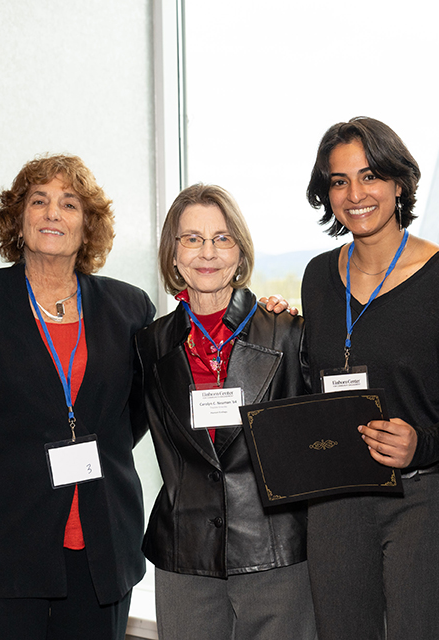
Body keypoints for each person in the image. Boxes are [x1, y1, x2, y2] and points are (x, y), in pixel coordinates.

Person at [0, 154, 156, 639]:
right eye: (38, 201)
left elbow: (137, 410)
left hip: (101, 544)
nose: (51, 213)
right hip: (0, 546)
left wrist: (95, 445)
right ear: (17, 218)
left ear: (88, 226)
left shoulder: (130, 307)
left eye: (68, 204)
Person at [301, 117, 439, 640]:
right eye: (339, 181)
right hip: (335, 503)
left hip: (423, 501)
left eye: (370, 176)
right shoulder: (317, 277)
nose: (356, 194)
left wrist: (423, 444)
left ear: (399, 183)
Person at [132, 183, 315, 639]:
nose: (207, 252)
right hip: (184, 555)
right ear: (173, 255)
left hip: (275, 554)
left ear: (240, 250)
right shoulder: (149, 344)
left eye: (222, 238)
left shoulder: (287, 332)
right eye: (192, 238)